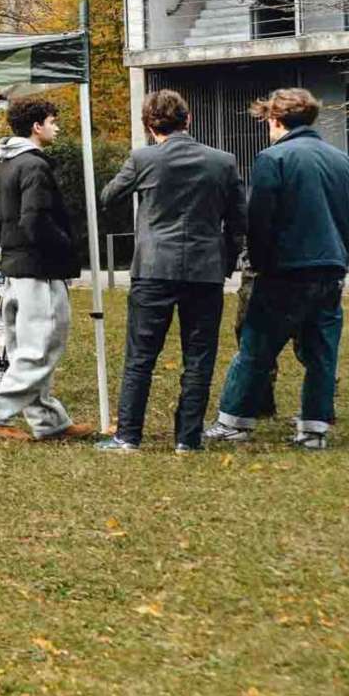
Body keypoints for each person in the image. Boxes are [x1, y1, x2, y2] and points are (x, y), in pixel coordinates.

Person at [206, 88, 349, 451]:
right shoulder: (344, 161)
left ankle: (234, 420)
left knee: (256, 346)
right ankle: (314, 428)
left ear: (275, 120)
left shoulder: (273, 158)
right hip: (330, 269)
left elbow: (260, 219)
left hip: (286, 270)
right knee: (322, 351)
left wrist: (259, 263)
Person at [94, 90, 245, 453]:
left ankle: (128, 435)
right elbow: (239, 221)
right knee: (199, 356)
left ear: (149, 125)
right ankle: (187, 438)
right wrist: (223, 262)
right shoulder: (222, 161)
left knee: (141, 355)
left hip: (153, 268)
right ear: (188, 119)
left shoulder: (143, 158)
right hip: (204, 270)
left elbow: (108, 196)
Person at [0, 98, 91, 442]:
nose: (56, 127)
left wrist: (13, 249)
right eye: (52, 121)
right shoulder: (35, 167)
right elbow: (35, 221)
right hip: (40, 270)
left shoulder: (6, 165)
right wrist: (67, 246)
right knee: (41, 345)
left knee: (26, 345)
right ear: (37, 126)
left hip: (14, 267)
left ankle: (48, 420)